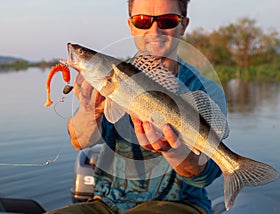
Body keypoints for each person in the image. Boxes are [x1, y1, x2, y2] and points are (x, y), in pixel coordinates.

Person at [47, 0, 228, 213]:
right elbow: (81, 141)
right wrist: (90, 108)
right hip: (107, 203)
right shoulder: (110, 79)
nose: (155, 30)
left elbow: (205, 176)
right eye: (142, 21)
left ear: (184, 25)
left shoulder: (205, 90)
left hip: (180, 204)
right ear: (131, 25)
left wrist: (174, 151)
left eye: (168, 21)